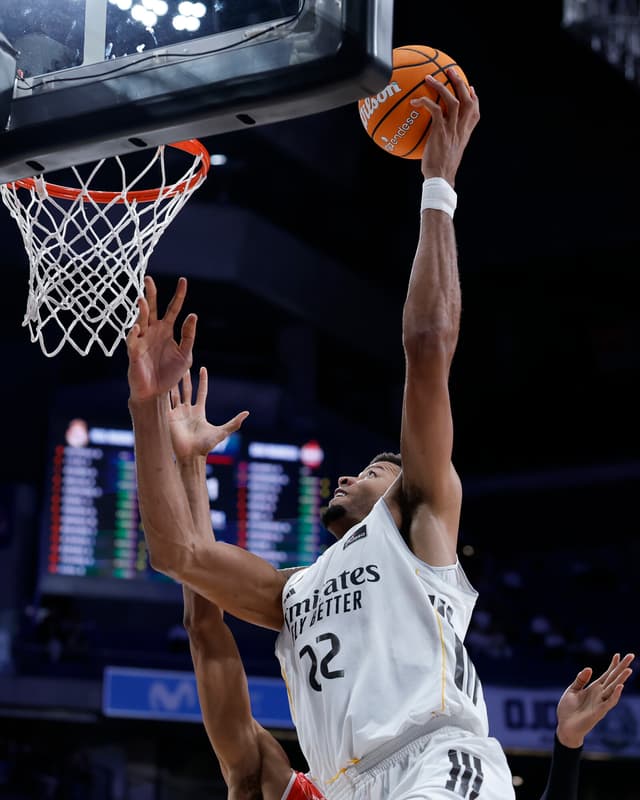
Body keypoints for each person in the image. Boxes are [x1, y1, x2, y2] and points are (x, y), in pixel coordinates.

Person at [122, 68, 568, 798]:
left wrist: (438, 185)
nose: (353, 473)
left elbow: (427, 346)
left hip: (437, 763)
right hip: (351, 787)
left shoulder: (418, 536)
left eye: (377, 467)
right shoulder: (294, 593)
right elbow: (180, 554)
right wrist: (147, 413)